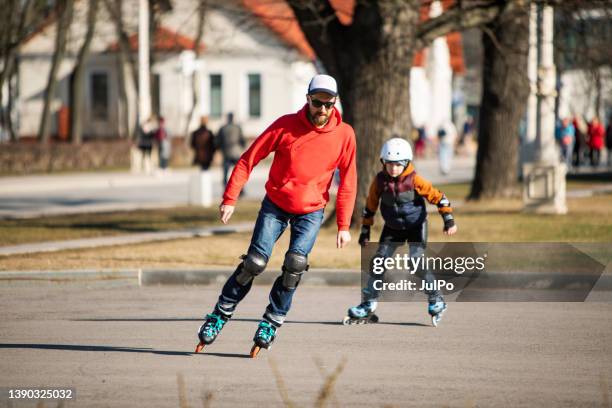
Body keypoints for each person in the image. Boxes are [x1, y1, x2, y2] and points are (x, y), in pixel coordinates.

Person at [195, 74, 357, 357]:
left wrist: (344, 224)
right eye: (317, 103)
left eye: (328, 105)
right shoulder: (285, 125)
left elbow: (349, 182)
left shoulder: (345, 135)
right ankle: (220, 313)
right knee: (254, 263)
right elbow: (248, 159)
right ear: (308, 99)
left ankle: (272, 320)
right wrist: (230, 197)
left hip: (311, 210)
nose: (322, 110)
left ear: (334, 104)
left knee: (295, 265)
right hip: (276, 204)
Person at [343, 137, 457, 327]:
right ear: (383, 163)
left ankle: (436, 299)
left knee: (416, 262)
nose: (393, 169)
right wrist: (365, 229)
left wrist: (448, 220)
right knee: (378, 262)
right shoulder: (379, 181)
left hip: (416, 227)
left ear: (406, 163)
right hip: (392, 228)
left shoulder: (415, 180)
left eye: (398, 165)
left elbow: (439, 198)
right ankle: (368, 303)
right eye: (389, 164)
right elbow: (370, 205)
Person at [216, 112, 246, 186]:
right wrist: (242, 147)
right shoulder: (237, 127)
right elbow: (242, 140)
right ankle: (240, 189)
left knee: (225, 173)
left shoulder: (223, 128)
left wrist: (219, 149)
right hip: (236, 152)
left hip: (226, 153)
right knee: (238, 172)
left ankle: (226, 188)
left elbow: (218, 140)